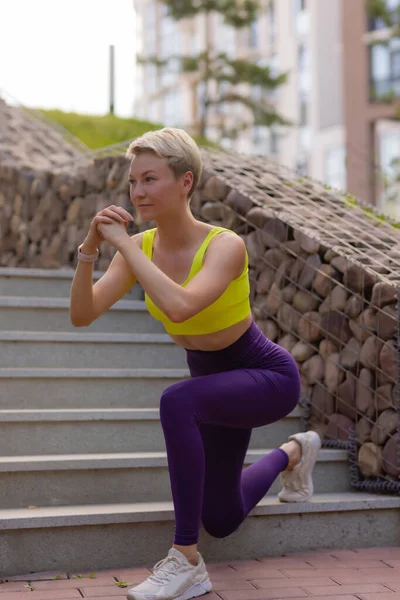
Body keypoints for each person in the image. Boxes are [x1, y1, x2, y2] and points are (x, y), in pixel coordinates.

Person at [69, 127, 321, 600]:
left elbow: (183, 306)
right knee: (222, 519)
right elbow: (82, 314)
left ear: (185, 182)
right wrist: (90, 251)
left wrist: (123, 244)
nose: (137, 192)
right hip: (212, 389)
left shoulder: (224, 245)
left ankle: (185, 559)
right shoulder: (139, 248)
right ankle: (295, 452)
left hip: (264, 378)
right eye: (132, 182)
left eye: (150, 179)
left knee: (176, 401)